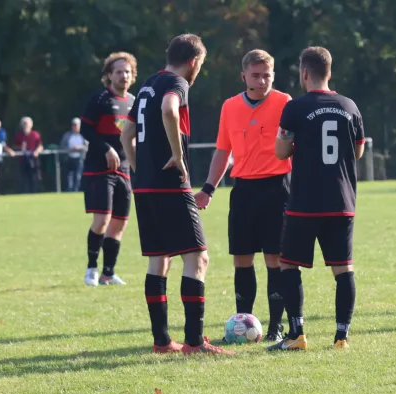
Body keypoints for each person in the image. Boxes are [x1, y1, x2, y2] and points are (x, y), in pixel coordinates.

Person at [121, 33, 234, 355]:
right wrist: (177, 155)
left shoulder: (145, 85)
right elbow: (170, 110)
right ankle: (195, 343)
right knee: (198, 258)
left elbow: (126, 133)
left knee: (159, 262)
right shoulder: (177, 83)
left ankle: (162, 341)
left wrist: (138, 167)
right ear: (194, 62)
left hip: (144, 185)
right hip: (170, 184)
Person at [267, 46, 365, 351]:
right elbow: (358, 151)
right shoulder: (350, 106)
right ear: (330, 72)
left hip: (305, 202)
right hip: (341, 201)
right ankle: (341, 337)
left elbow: (281, 152)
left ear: (304, 73)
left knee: (288, 265)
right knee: (343, 268)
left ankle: (296, 334)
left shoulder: (294, 108)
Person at [194, 49, 291, 342]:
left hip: (277, 188)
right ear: (244, 76)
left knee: (275, 259)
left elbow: (294, 146)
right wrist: (209, 188)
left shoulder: (284, 102)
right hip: (244, 191)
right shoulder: (230, 107)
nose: (262, 81)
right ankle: (241, 325)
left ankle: (275, 327)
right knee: (242, 259)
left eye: (267, 76)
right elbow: (223, 151)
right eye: (256, 75)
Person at [80, 52, 137, 287]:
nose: (123, 75)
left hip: (125, 170)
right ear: (109, 75)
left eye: (127, 72)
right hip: (100, 169)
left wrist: (137, 163)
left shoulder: (134, 102)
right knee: (102, 220)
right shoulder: (100, 99)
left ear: (133, 76)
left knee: (119, 222)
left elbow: (134, 137)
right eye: (118, 71)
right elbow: (85, 130)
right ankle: (91, 269)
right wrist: (106, 148)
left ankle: (108, 272)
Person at [13, 117, 43, 193]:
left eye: (27, 123)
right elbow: (14, 146)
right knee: (24, 178)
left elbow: (40, 146)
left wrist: (37, 151)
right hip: (23, 160)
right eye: (24, 123)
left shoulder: (35, 134)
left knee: (34, 177)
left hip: (33, 159)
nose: (26, 125)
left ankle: (35, 192)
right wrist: (20, 147)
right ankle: (25, 193)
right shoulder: (19, 135)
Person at [60, 118, 87, 192]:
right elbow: (62, 146)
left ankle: (76, 190)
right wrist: (70, 149)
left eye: (76, 125)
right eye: (73, 125)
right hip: (69, 158)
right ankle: (68, 190)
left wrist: (79, 147)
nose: (75, 127)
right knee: (68, 176)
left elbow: (87, 146)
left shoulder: (83, 136)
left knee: (77, 176)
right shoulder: (67, 135)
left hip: (79, 159)